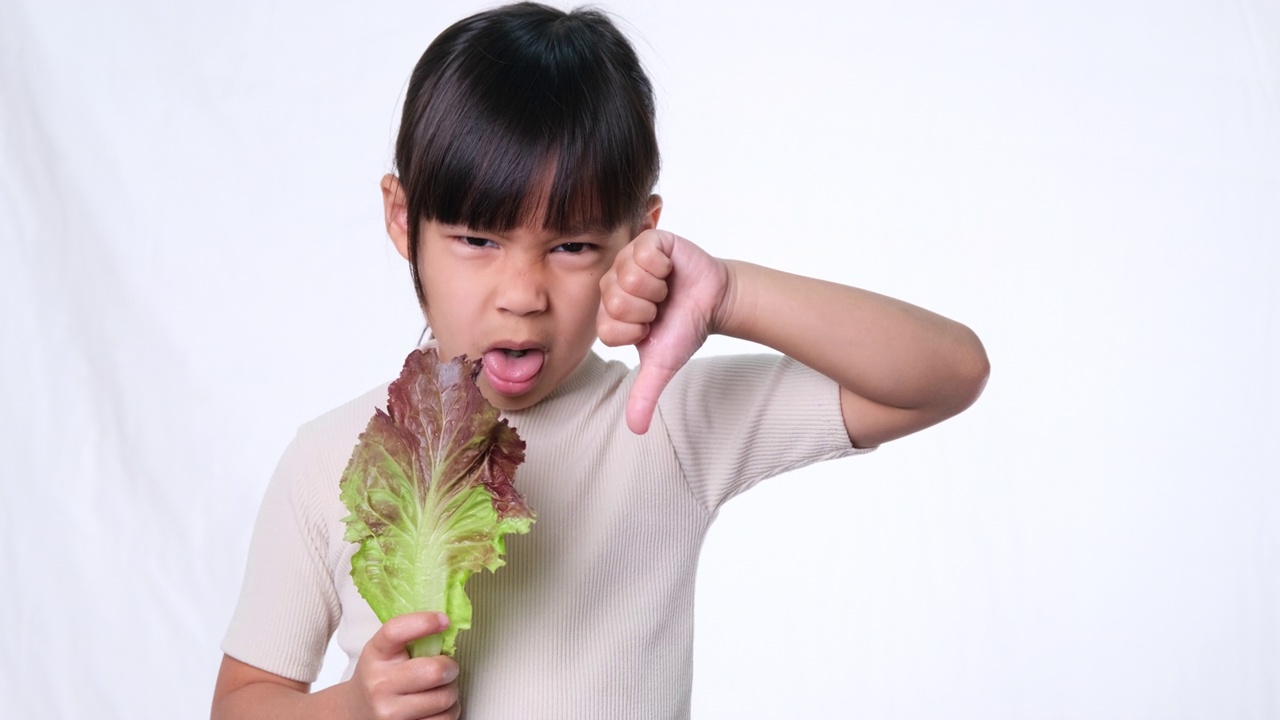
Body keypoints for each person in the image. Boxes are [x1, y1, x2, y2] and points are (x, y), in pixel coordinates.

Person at [210, 3, 990, 719]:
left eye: (573, 246)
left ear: (641, 236)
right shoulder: (326, 459)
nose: (522, 293)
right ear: (402, 218)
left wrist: (730, 294)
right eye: (478, 240)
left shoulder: (662, 423)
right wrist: (348, 708)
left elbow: (947, 372)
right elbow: (242, 701)